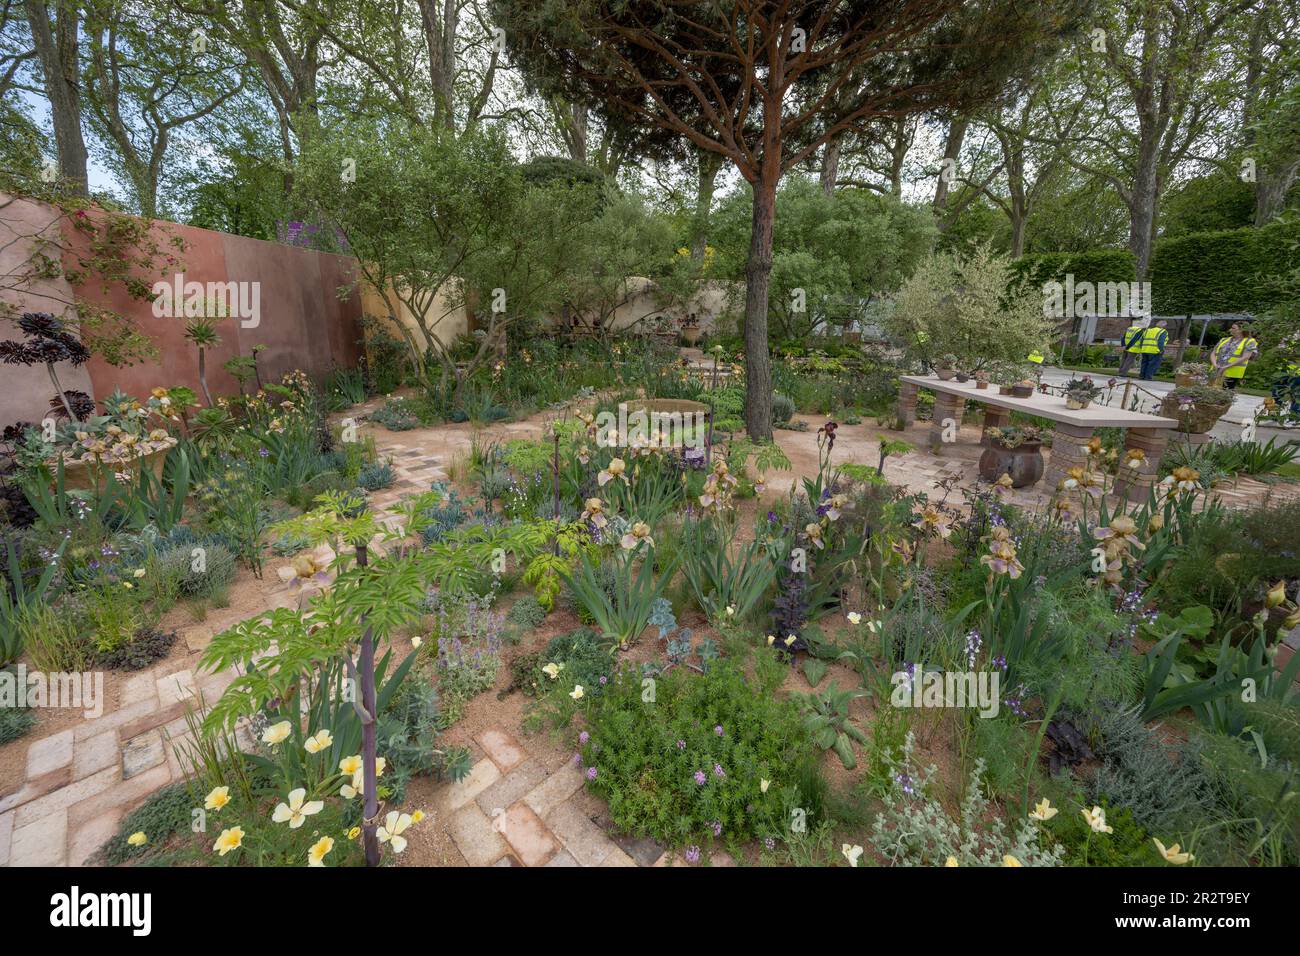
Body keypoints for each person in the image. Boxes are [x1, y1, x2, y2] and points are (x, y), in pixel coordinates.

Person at [1211, 322, 1259, 390]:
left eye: (1233, 328)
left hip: (1232, 372)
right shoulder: (1224, 340)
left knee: (1225, 393)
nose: (1230, 330)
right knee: (1210, 391)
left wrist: (1225, 367)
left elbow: (1246, 357)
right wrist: (1215, 365)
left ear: (1241, 330)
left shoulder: (1250, 341)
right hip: (1216, 370)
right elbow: (1213, 353)